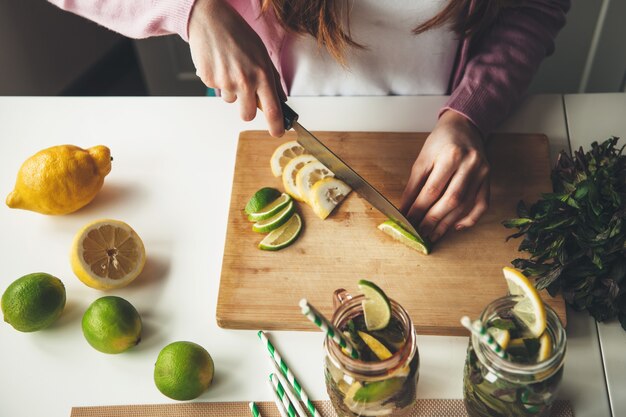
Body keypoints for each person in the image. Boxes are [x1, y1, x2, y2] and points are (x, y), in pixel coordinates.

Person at [46, 0, 570, 242]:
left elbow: (535, 6)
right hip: (262, 111)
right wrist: (192, 8)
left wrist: (471, 112)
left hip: (439, 117)